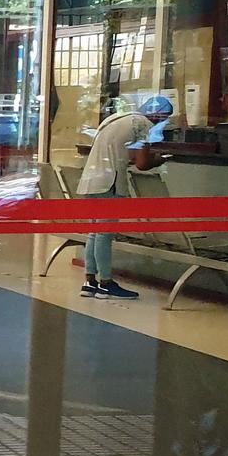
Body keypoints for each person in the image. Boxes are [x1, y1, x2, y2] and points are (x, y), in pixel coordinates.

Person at [76, 93, 174, 300]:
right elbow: (142, 163)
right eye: (165, 119)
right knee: (105, 233)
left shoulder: (116, 118)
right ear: (159, 116)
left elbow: (118, 152)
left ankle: (90, 281)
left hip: (91, 181)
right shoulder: (144, 125)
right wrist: (159, 160)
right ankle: (106, 282)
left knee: (94, 232)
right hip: (109, 183)